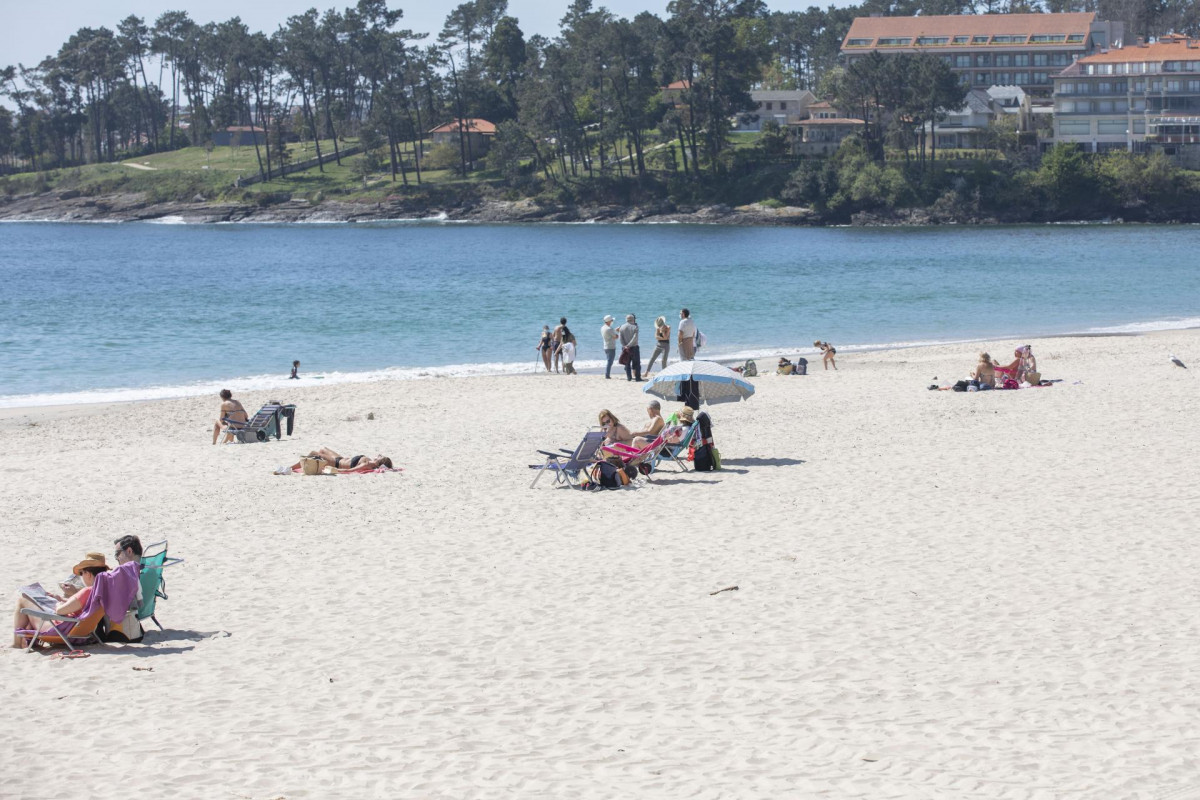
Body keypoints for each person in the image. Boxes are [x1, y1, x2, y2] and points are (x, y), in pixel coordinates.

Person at [13, 553, 108, 647]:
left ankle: (16, 644)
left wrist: (58, 604)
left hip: (60, 630)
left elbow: (60, 611)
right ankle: (27, 644)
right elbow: (82, 606)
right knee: (35, 606)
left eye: (81, 573)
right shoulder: (103, 591)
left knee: (23, 600)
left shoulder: (88, 590)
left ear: (88, 574)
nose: (81, 576)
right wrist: (60, 599)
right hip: (81, 632)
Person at [290, 448, 394, 473]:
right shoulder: (370, 461)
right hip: (340, 458)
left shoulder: (367, 464)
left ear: (380, 462)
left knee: (313, 453)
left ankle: (290, 468)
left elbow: (350, 470)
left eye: (380, 456)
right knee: (323, 449)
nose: (378, 455)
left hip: (336, 463)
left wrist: (337, 471)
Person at [618, 314, 642, 382]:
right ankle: (637, 378)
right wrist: (629, 345)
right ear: (633, 319)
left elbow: (620, 338)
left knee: (627, 363)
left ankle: (629, 377)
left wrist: (624, 345)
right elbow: (635, 338)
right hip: (634, 347)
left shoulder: (622, 327)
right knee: (637, 363)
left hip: (625, 348)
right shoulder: (635, 327)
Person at [601, 315, 618, 379]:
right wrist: (617, 332)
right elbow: (616, 337)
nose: (612, 321)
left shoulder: (602, 327)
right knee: (610, 361)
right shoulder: (609, 329)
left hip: (606, 346)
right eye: (611, 320)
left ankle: (607, 374)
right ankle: (607, 375)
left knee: (609, 360)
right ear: (609, 321)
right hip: (611, 346)